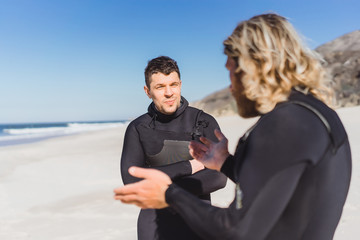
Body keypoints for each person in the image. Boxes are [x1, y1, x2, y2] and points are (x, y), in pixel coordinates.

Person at [114, 14, 352, 240]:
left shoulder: (285, 125)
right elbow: (282, 186)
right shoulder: (318, 116)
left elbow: (236, 230)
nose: (230, 86)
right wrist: (226, 163)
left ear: (252, 68)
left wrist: (169, 193)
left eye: (230, 70)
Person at [120, 56, 227, 240]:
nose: (169, 93)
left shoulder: (203, 122)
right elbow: (131, 181)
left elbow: (218, 177)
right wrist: (190, 167)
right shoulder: (138, 128)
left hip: (197, 223)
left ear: (180, 84)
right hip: (152, 226)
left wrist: (163, 189)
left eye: (173, 84)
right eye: (160, 87)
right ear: (148, 91)